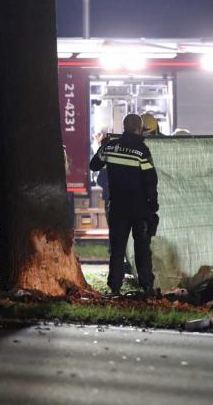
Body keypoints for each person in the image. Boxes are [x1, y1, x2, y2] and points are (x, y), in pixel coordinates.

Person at [89, 114, 159, 297]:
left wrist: (103, 146)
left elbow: (94, 165)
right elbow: (151, 180)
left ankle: (115, 287)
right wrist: (153, 205)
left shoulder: (111, 147)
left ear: (124, 127)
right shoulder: (141, 150)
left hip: (118, 207)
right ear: (139, 128)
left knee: (117, 248)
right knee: (142, 248)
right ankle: (147, 286)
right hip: (140, 208)